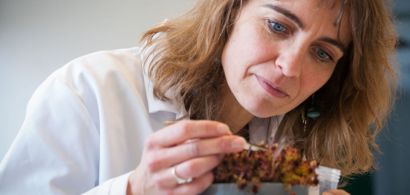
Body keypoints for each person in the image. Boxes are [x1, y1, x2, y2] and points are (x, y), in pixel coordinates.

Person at [0, 0, 397, 194]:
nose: (291, 68)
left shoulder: (299, 147)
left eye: (323, 53)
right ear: (230, 12)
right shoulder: (88, 90)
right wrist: (134, 189)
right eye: (277, 26)